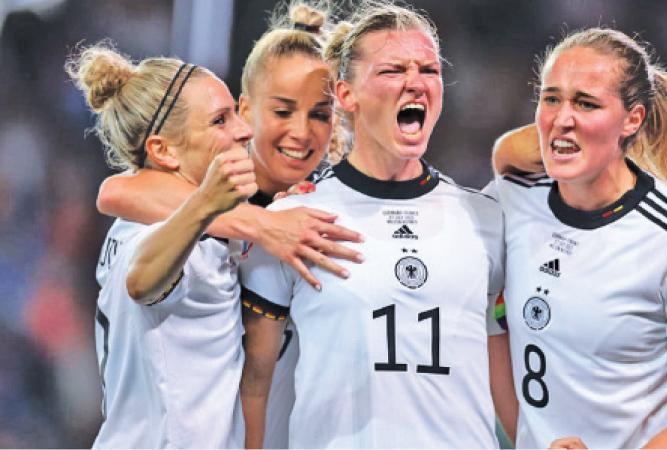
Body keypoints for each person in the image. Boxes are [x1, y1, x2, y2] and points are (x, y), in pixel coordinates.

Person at [238, 3, 505, 448]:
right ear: (346, 95)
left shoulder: (485, 220)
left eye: (429, 70)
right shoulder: (289, 224)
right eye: (392, 70)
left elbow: (506, 365)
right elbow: (256, 381)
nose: (415, 82)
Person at [93, 5, 353, 448]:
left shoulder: (296, 206)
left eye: (320, 114)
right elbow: (123, 215)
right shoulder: (183, 230)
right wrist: (252, 222)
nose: (242, 131)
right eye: (223, 119)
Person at [490, 27, 667, 449]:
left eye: (586, 102)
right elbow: (491, 329)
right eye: (551, 98)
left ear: (633, 119)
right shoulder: (511, 201)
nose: (562, 116)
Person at [66, 42, 257, 447]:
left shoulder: (148, 219)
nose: (244, 130)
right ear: (163, 150)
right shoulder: (165, 235)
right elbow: (142, 279)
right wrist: (206, 204)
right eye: (220, 120)